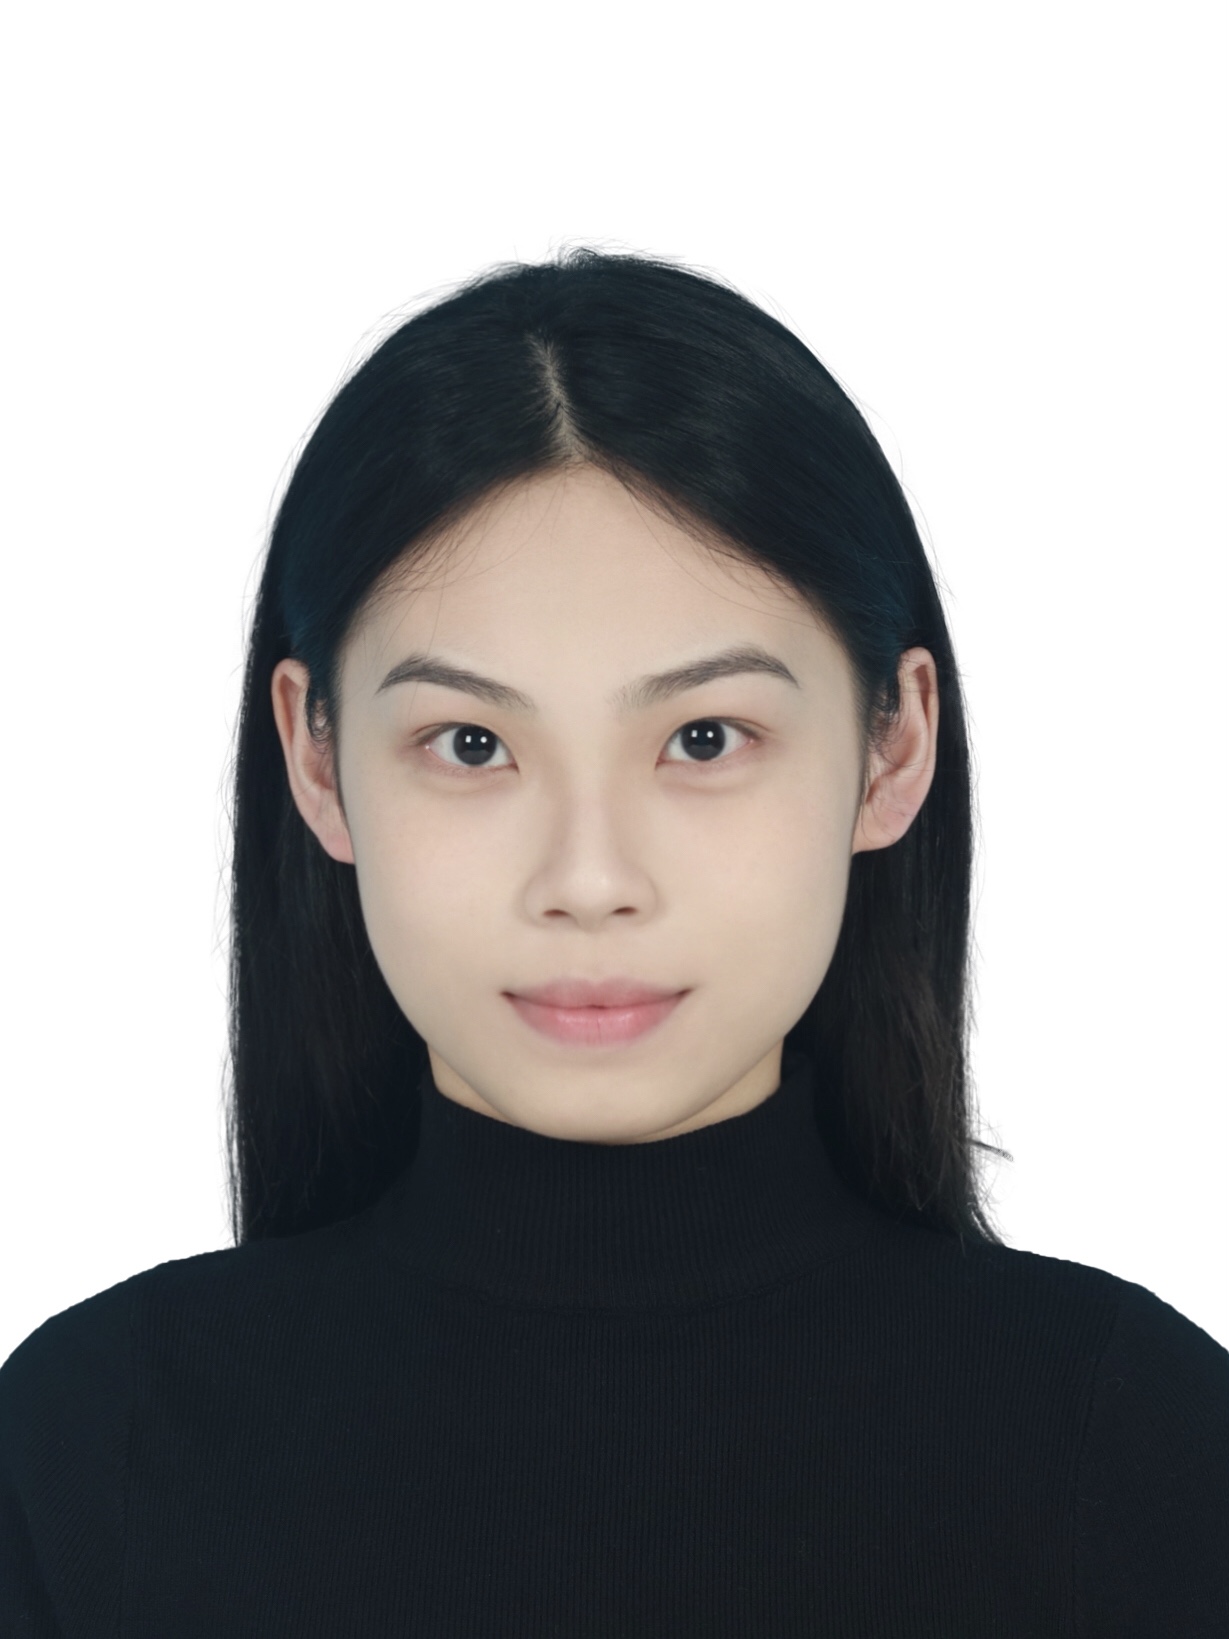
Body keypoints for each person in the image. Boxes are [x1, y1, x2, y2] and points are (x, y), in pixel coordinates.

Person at [2, 248, 1226, 1636]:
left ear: (891, 749)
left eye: (704, 738)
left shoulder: (1140, 1451)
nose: (589, 882)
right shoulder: (88, 1452)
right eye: (470, 745)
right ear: (318, 760)